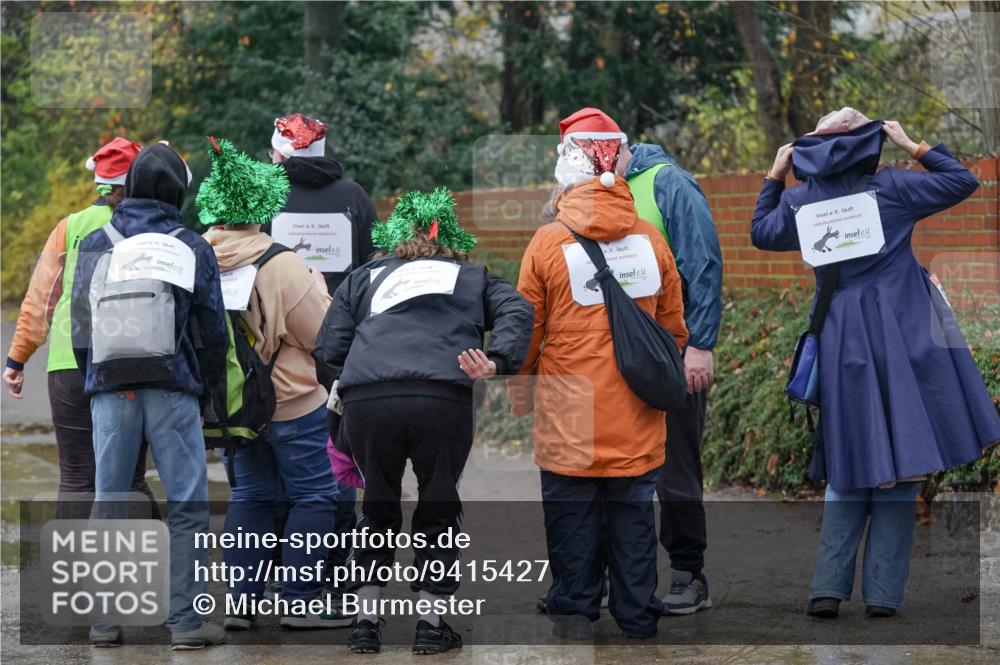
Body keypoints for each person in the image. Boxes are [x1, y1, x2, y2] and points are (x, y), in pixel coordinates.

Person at [750, 108, 1000, 618]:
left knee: (848, 459)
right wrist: (912, 144)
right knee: (904, 464)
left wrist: (775, 177)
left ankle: (827, 588)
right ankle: (883, 596)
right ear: (870, 141)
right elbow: (962, 182)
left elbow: (760, 232)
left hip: (844, 339)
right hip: (906, 333)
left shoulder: (800, 201)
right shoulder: (893, 188)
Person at [313, 188, 533, 654]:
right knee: (439, 503)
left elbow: (329, 349)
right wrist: (497, 360)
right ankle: (430, 625)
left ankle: (365, 622)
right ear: (450, 237)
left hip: (370, 399)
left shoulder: (363, 278)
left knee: (376, 505)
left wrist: (350, 388)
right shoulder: (472, 276)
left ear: (395, 236)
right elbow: (518, 308)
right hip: (443, 396)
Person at [512, 111, 688, 639]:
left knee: (571, 517)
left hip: (568, 411)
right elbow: (673, 328)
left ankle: (574, 612)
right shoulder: (651, 240)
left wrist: (523, 397)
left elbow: (526, 334)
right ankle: (637, 616)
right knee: (633, 518)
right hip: (637, 406)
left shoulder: (546, 243)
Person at [71, 142, 230, 648]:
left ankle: (104, 623)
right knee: (187, 506)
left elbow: (81, 324)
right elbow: (213, 331)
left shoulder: (97, 240)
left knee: (109, 504)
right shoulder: (191, 245)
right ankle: (184, 623)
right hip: (173, 389)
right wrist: (207, 396)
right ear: (179, 192)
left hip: (111, 390)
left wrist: (96, 381)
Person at [196, 137, 347, 630]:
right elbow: (322, 335)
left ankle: (240, 604)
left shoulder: (197, 256)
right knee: (313, 495)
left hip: (231, 404)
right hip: (290, 402)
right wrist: (318, 289)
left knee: (251, 496)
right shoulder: (279, 262)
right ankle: (300, 603)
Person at [4, 138, 156, 516]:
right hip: (131, 362)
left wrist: (17, 359)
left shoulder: (70, 227)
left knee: (76, 479)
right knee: (131, 481)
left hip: (69, 361)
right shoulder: (150, 228)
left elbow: (41, 298)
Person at [611, 110, 723, 615]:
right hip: (613, 356)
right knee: (613, 468)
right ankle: (606, 578)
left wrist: (700, 343)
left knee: (675, 467)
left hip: (673, 351)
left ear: (615, 147)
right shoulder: (589, 191)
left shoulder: (668, 183)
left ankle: (688, 573)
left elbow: (702, 263)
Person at [264, 112, 379, 294]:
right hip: (343, 307)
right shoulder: (353, 195)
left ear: (281, 157)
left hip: (279, 307)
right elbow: (375, 258)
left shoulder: (265, 197)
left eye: (273, 153)